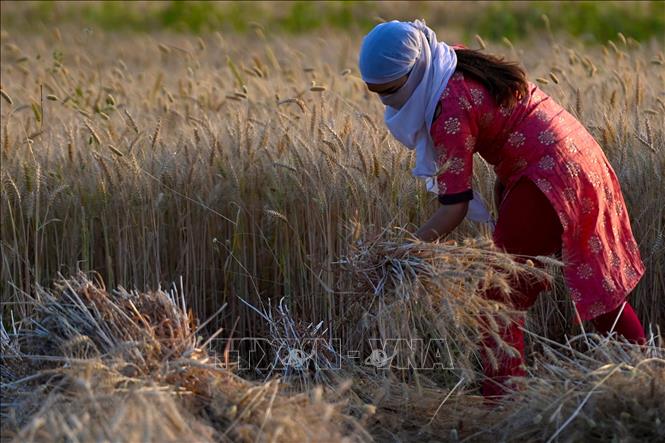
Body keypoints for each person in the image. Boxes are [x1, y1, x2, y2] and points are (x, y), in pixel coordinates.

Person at [358, 20, 647, 399]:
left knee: (495, 298)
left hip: (548, 177)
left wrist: (404, 248)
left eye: (391, 91)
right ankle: (646, 373)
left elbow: (453, 208)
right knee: (597, 289)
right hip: (577, 160)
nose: (387, 102)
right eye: (375, 93)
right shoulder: (450, 63)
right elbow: (506, 135)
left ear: (416, 71)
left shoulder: (449, 108)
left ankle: (502, 404)